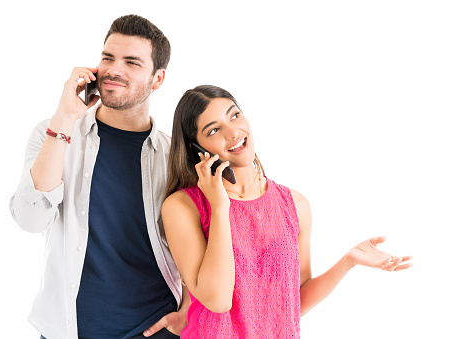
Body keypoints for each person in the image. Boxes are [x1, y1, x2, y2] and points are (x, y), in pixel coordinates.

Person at [161, 85, 413, 338]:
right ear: (196, 147)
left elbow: (294, 302)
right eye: (214, 130)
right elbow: (218, 301)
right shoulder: (183, 208)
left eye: (234, 115)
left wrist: (348, 261)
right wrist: (219, 206)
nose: (233, 131)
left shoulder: (295, 204)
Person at [10, 15, 189, 339]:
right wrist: (64, 119)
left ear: (158, 78)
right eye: (108, 58)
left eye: (131, 62)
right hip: (66, 330)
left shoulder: (173, 154)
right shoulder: (53, 132)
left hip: (155, 328)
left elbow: (200, 242)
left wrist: (189, 307)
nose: (113, 70)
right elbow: (30, 219)